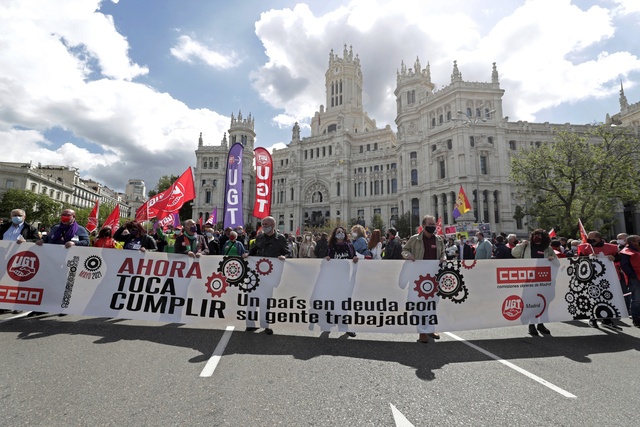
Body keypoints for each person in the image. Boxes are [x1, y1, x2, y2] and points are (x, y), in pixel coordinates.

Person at [402, 215, 446, 343]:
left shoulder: (438, 240)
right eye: (430, 224)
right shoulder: (415, 239)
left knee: (432, 304)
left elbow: (443, 252)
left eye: (434, 224)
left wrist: (444, 257)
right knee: (419, 305)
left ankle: (430, 329)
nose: (433, 226)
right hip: (418, 278)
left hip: (434, 278)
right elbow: (404, 250)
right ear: (424, 225)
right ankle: (422, 332)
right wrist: (409, 255)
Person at [244, 216, 291, 335]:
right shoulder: (259, 236)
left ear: (273, 225)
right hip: (255, 274)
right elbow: (253, 250)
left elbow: (288, 252)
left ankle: (265, 325)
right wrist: (247, 254)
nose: (264, 226)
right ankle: (250, 324)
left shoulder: (280, 238)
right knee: (252, 299)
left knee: (266, 300)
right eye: (263, 224)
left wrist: (284, 257)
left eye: (266, 224)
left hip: (270, 274)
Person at [511, 229, 557, 336]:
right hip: (529, 279)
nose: (537, 236)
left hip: (543, 280)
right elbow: (514, 253)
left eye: (539, 235)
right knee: (530, 302)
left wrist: (552, 259)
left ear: (544, 237)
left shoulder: (548, 248)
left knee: (543, 302)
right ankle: (531, 325)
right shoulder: (526, 246)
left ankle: (541, 324)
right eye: (535, 235)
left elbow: (557, 261)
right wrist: (521, 245)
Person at [577, 230, 619, 328]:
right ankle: (593, 319)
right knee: (593, 298)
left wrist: (614, 258)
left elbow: (619, 257)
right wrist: (588, 257)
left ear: (599, 238)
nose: (590, 239)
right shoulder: (585, 248)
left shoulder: (611, 247)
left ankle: (607, 319)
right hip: (591, 277)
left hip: (607, 278)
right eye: (589, 237)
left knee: (607, 297)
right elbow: (579, 260)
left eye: (593, 237)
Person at [619, 235, 640, 328]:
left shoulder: (637, 249)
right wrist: (634, 276)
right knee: (636, 299)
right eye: (638, 240)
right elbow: (625, 266)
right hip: (635, 278)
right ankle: (636, 318)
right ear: (632, 242)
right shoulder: (625, 252)